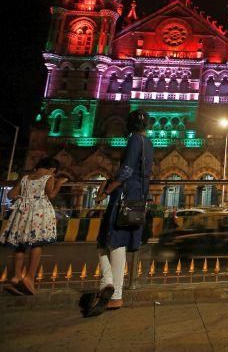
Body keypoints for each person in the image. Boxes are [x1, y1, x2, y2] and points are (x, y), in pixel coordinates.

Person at [84, 110, 153, 316]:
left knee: (107, 239)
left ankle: (108, 285)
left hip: (124, 194)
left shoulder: (134, 139)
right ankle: (115, 294)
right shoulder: (148, 143)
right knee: (118, 241)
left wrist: (108, 189)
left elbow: (126, 170)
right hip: (138, 196)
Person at [0, 158, 68, 295]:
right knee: (36, 244)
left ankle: (16, 276)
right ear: (53, 169)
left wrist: (24, 196)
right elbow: (52, 194)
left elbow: (11, 194)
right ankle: (29, 278)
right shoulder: (49, 177)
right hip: (39, 213)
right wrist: (59, 183)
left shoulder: (25, 177)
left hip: (22, 212)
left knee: (20, 244)